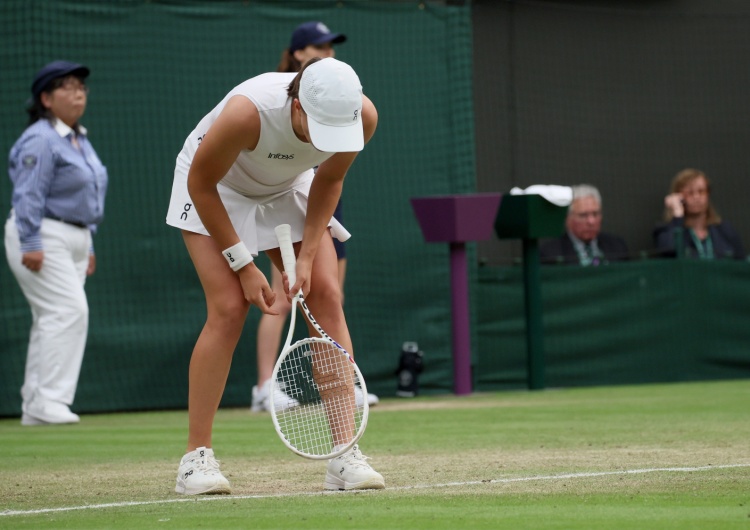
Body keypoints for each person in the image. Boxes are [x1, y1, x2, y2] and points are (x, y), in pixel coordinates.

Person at [165, 57, 385, 495]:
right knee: (228, 308)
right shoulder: (248, 112)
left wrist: (305, 259)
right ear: (298, 106)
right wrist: (244, 265)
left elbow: (329, 180)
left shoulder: (363, 116)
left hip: (288, 186)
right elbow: (202, 184)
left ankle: (344, 453)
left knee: (325, 293)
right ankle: (196, 460)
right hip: (215, 188)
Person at [252, 20, 378, 413]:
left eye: (330, 47)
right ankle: (264, 386)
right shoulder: (277, 98)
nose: (326, 52)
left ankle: (342, 385)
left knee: (330, 295)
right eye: (316, 46)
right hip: (275, 193)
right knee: (284, 296)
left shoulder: (342, 98)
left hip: (320, 194)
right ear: (296, 54)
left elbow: (332, 172)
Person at [4, 61, 109, 426]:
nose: (78, 91)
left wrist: (88, 244)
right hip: (42, 233)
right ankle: (48, 401)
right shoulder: (40, 138)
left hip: (75, 236)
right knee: (68, 312)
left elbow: (86, 198)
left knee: (50, 317)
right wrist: (31, 240)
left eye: (81, 85)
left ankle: (36, 403)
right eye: (66, 86)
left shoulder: (79, 137)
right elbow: (29, 193)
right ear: (45, 98)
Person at [653, 168, 744, 259]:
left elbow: (741, 263)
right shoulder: (666, 232)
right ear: (679, 197)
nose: (696, 197)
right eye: (689, 193)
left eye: (701, 191)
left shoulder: (724, 231)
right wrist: (677, 214)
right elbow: (668, 251)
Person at [539, 184, 628, 265]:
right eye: (583, 215)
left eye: (595, 214)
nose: (591, 221)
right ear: (568, 218)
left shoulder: (617, 247)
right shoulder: (550, 254)